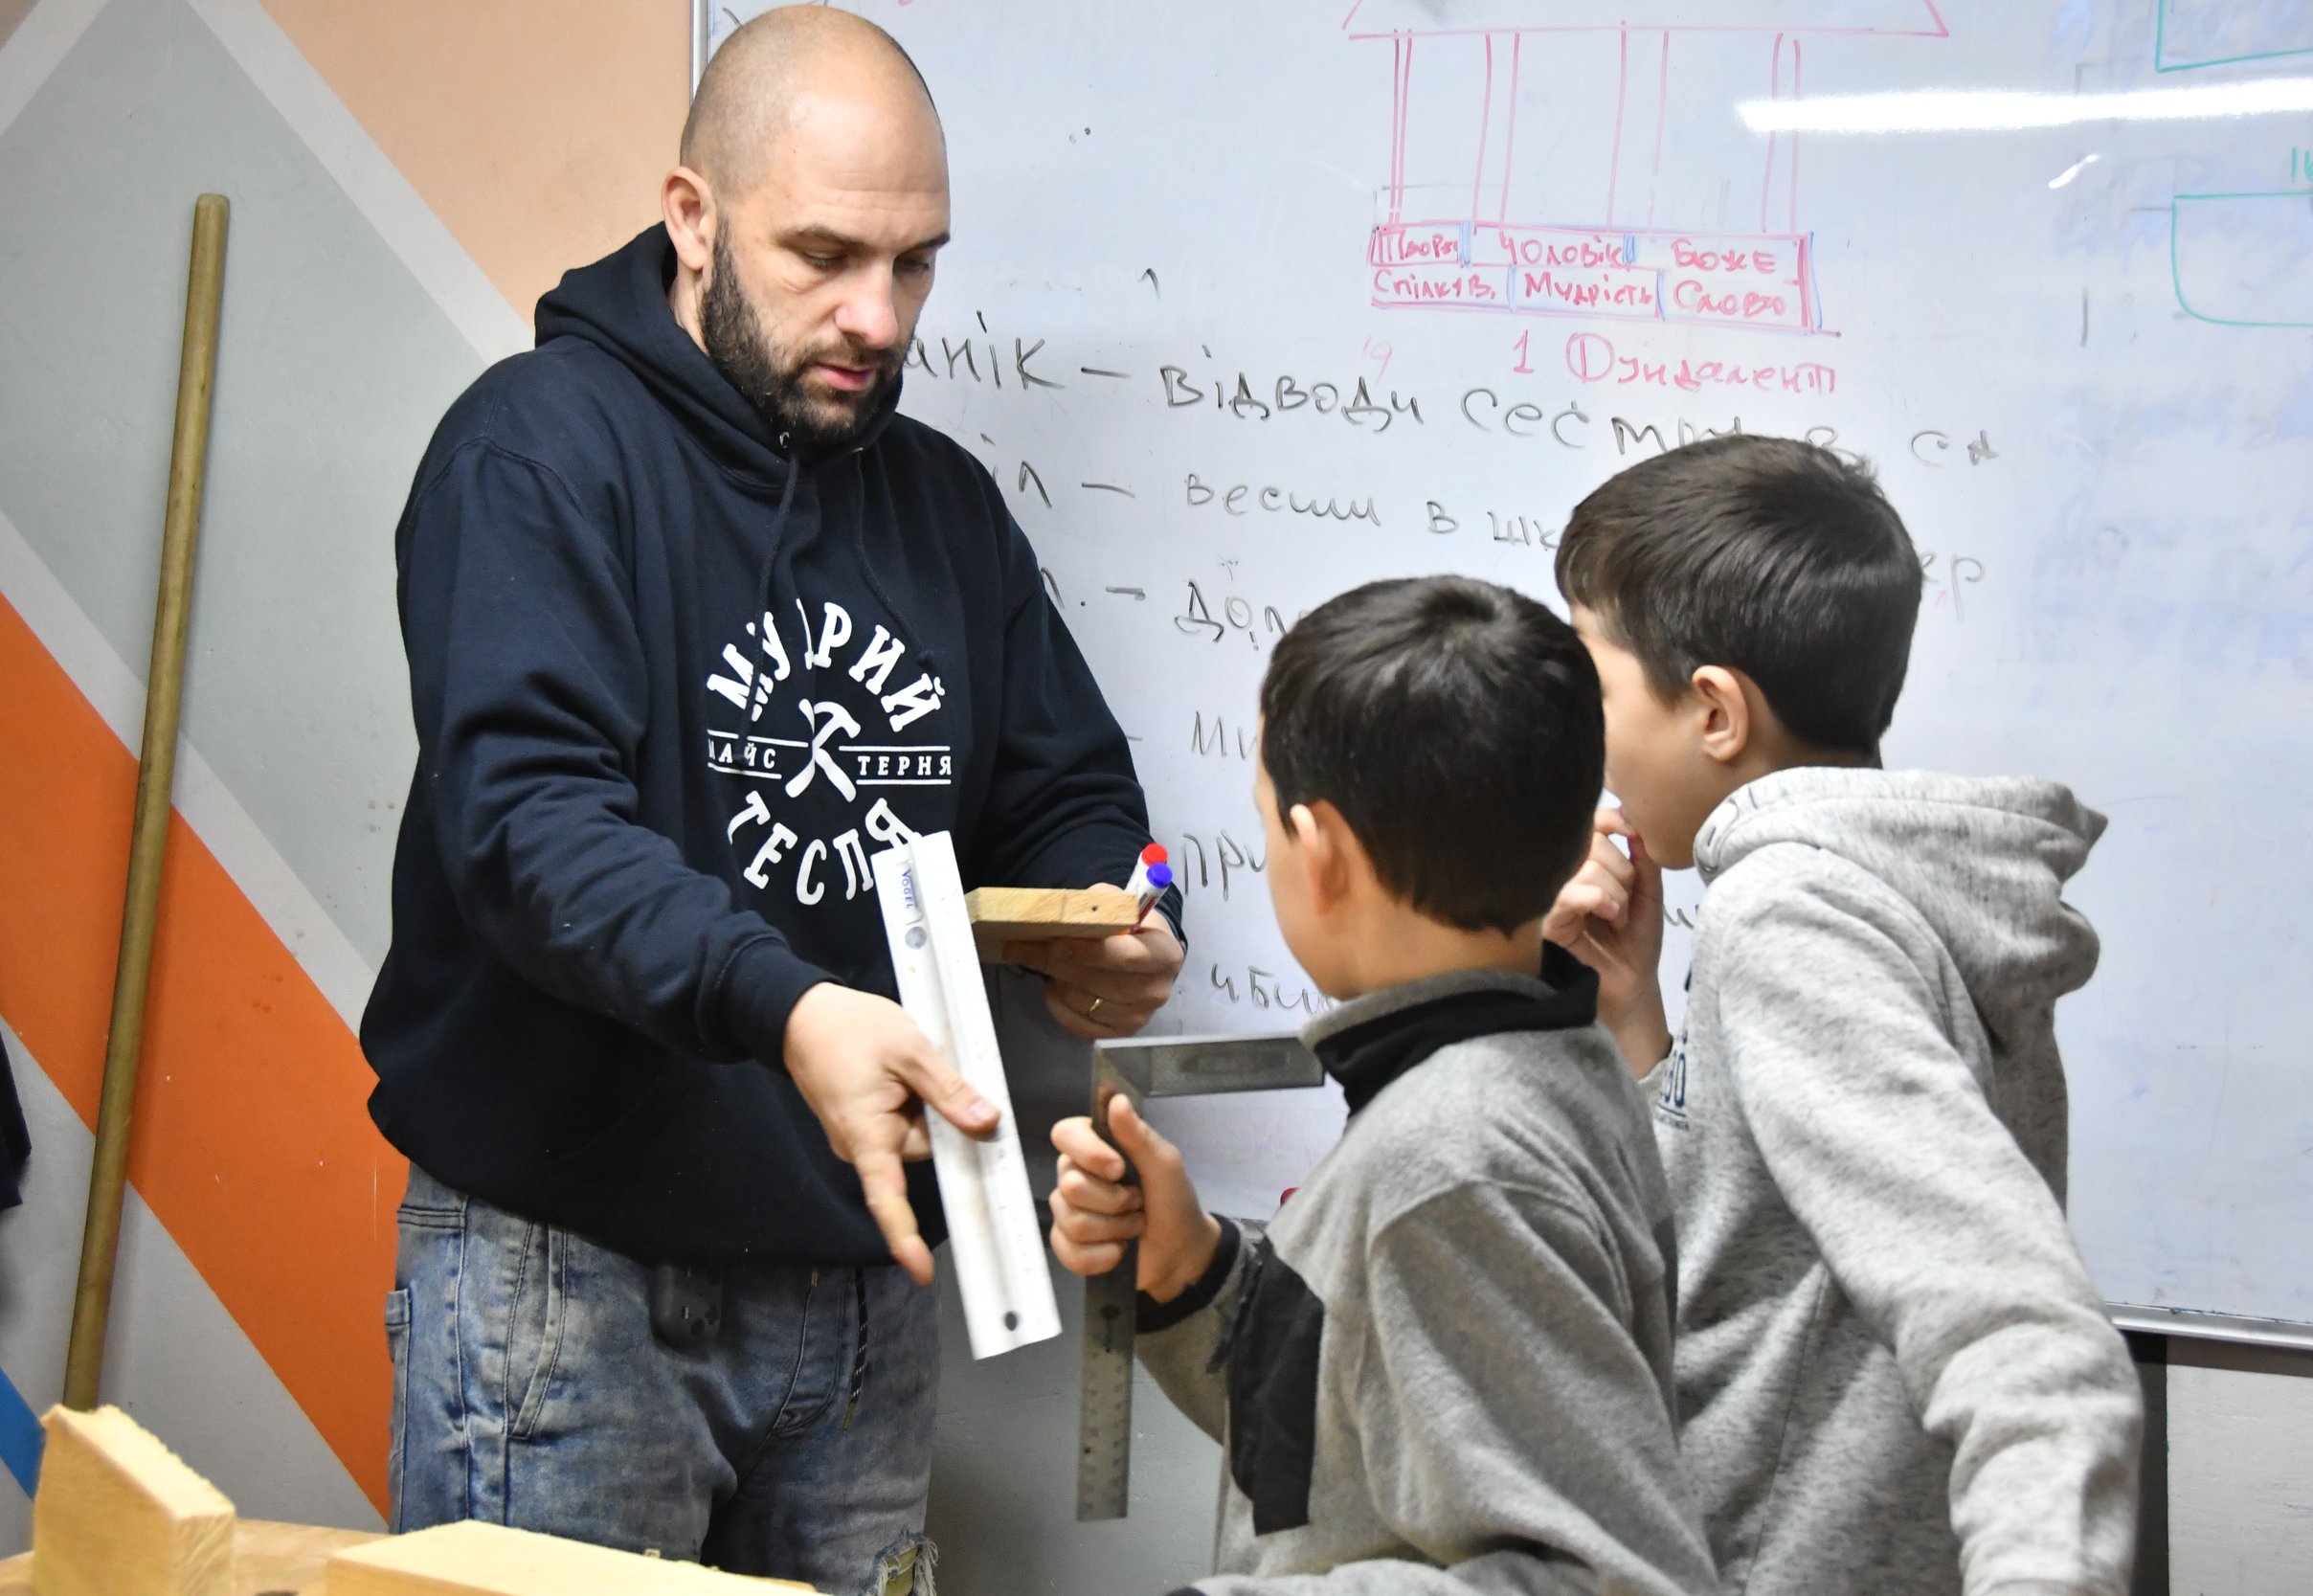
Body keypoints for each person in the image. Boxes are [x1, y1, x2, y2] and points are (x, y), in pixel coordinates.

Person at [358, 10, 1182, 1589]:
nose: (877, 317)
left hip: (864, 1280)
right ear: (691, 216)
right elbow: (530, 828)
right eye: (823, 255)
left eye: (917, 264)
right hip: (573, 1280)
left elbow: (1082, 796)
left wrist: (1126, 910)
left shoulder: (942, 502)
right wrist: (791, 1004)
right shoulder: (534, 451)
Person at [1542, 435, 2143, 1595]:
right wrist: (1635, 1022)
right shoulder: (1868, 886)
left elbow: (2025, 1334)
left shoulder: (1788, 911)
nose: (1581, 731)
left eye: (1592, 683)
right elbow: (1757, 1238)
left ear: (1712, 710)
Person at [1048, 577, 1721, 1596]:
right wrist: (1193, 1274)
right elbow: (1351, 1438)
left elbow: (1609, 1577)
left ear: (1318, 855)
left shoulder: (1452, 1161)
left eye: (1268, 824)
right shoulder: (1533, 1067)